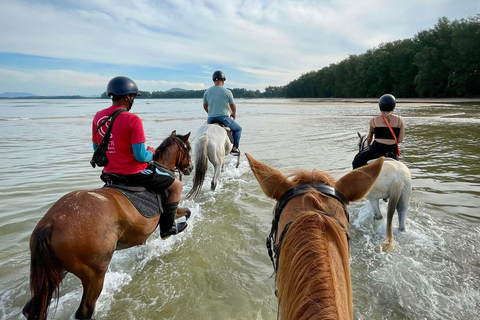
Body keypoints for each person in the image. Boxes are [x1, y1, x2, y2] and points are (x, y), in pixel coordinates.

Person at [92, 76, 187, 239]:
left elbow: (97, 149)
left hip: (110, 173)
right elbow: (141, 156)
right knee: (177, 186)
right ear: (128, 97)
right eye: (133, 97)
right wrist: (151, 151)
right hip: (133, 173)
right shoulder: (132, 119)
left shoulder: (98, 117)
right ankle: (167, 228)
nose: (133, 100)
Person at [352, 94, 404, 169]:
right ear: (393, 106)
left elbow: (370, 137)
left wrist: (367, 146)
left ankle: (356, 180)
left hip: (376, 148)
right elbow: (400, 139)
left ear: (380, 105)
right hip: (392, 151)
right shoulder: (400, 120)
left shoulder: (374, 120)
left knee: (356, 161)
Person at [203, 70, 242, 156]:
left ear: (214, 80)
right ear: (223, 80)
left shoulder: (207, 92)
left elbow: (205, 106)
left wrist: (209, 113)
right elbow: (233, 106)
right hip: (224, 118)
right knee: (238, 129)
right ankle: (234, 148)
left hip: (210, 119)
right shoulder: (227, 92)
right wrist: (233, 114)